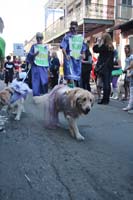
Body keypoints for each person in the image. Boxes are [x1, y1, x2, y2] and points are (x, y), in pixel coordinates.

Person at [60, 21, 86, 87]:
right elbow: (63, 48)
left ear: (77, 28)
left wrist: (83, 54)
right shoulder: (67, 37)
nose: (72, 30)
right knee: (70, 78)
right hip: (69, 61)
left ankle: (74, 93)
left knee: (76, 79)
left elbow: (83, 48)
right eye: (71, 28)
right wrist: (66, 56)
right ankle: (70, 93)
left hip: (77, 61)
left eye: (74, 28)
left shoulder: (80, 38)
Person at [93, 33, 114, 104]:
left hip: (103, 67)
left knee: (104, 84)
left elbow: (95, 49)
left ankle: (104, 100)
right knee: (107, 83)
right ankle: (107, 99)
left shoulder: (104, 47)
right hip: (109, 67)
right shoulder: (111, 47)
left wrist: (98, 42)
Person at [122, 44, 133, 111]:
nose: (125, 50)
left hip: (131, 73)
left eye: (126, 48)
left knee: (131, 90)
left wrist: (127, 69)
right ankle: (129, 104)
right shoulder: (127, 57)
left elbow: (131, 65)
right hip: (129, 73)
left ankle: (130, 106)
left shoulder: (131, 56)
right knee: (127, 86)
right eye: (124, 48)